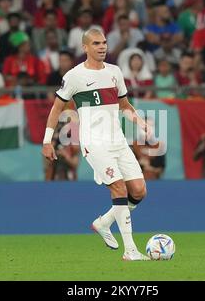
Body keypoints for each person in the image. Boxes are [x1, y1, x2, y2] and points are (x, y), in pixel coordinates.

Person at [42, 28, 151, 261]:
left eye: (103, 43)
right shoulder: (74, 76)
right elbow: (56, 109)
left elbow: (125, 105)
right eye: (96, 43)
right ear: (85, 48)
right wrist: (47, 140)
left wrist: (140, 122)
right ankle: (130, 250)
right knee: (119, 189)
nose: (102, 47)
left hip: (118, 141)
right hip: (95, 143)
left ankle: (103, 223)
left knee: (139, 191)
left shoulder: (115, 72)